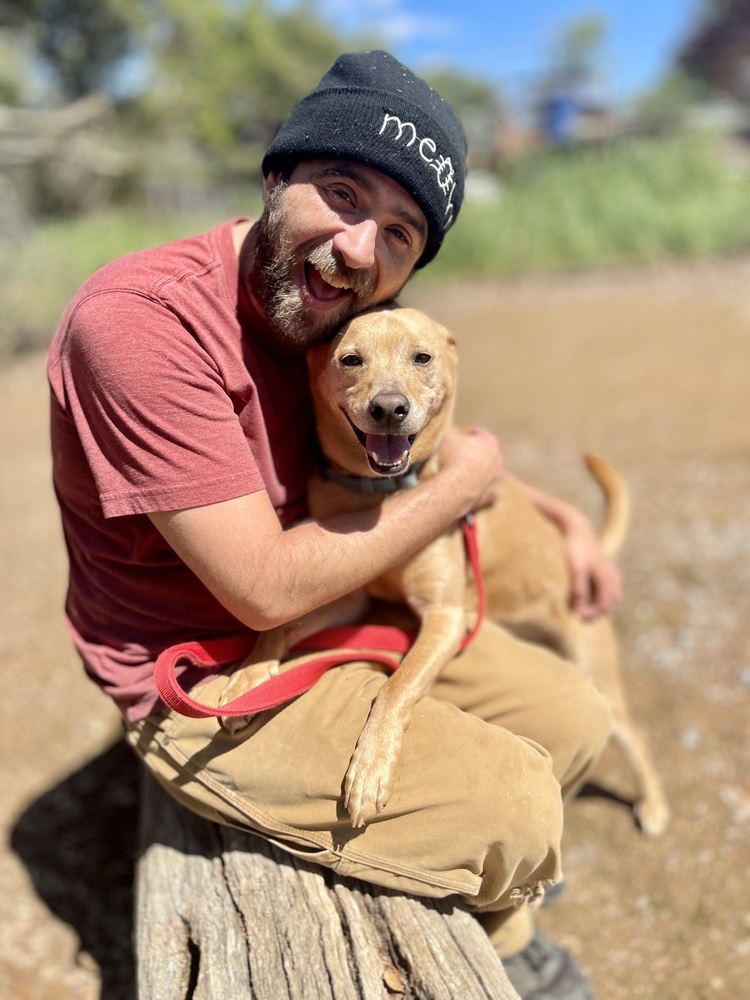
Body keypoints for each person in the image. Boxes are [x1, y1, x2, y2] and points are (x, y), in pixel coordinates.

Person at [48, 50, 620, 1000]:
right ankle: (509, 941)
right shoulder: (142, 324)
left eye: (398, 232)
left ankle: (435, 850)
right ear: (276, 177)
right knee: (518, 808)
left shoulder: (338, 319)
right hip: (204, 669)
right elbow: (262, 588)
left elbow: (431, 429)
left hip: (339, 600)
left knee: (574, 719)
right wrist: (464, 484)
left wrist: (555, 513)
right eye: (342, 193)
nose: (359, 249)